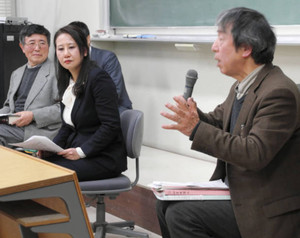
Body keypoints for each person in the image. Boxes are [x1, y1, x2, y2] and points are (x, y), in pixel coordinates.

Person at [157, 7, 300, 238]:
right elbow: (218, 121)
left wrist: (195, 128)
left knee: (181, 215)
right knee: (164, 204)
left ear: (246, 48)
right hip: (239, 193)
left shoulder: (278, 91)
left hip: (266, 209)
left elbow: (254, 153)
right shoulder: (242, 85)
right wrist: (194, 117)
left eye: (221, 39)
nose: (214, 47)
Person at [40, 24, 127, 182]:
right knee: (34, 164)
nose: (66, 53)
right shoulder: (67, 80)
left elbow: (111, 126)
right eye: (60, 49)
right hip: (77, 151)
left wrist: (81, 151)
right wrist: (51, 149)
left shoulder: (99, 78)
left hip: (102, 157)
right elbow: (67, 126)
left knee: (47, 174)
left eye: (71, 47)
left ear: (85, 51)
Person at [0, 24, 61, 147]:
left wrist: (33, 115)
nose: (37, 48)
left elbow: (64, 108)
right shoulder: (16, 73)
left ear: (49, 46)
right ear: (22, 47)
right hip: (13, 123)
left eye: (42, 43)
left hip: (37, 128)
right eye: (31, 43)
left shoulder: (58, 72)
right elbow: (8, 105)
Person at [68, 21, 132, 114]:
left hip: (113, 109)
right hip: (80, 111)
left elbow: (113, 93)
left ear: (88, 39)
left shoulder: (107, 58)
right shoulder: (67, 60)